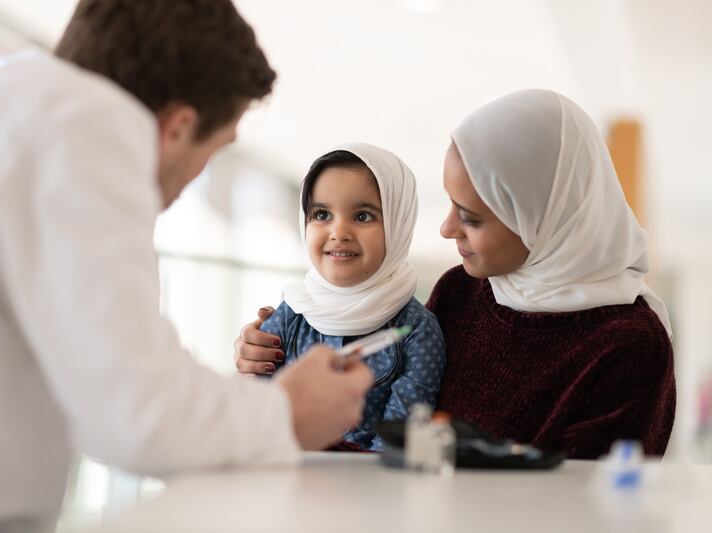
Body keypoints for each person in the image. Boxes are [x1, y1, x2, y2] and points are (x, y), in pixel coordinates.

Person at [0, 1, 372, 532]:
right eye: (215, 150)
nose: (194, 179)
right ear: (177, 127)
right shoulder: (84, 124)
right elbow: (135, 413)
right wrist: (287, 413)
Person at [235, 89, 676, 459]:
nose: (446, 229)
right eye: (449, 204)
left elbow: (585, 507)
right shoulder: (462, 291)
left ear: (543, 217)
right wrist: (262, 353)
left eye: (472, 217)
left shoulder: (631, 346)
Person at [259, 144, 445, 451]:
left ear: (398, 224)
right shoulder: (293, 311)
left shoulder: (418, 331)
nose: (338, 231)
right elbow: (256, 409)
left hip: (369, 491)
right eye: (321, 214)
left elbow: (396, 441)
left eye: (362, 216)